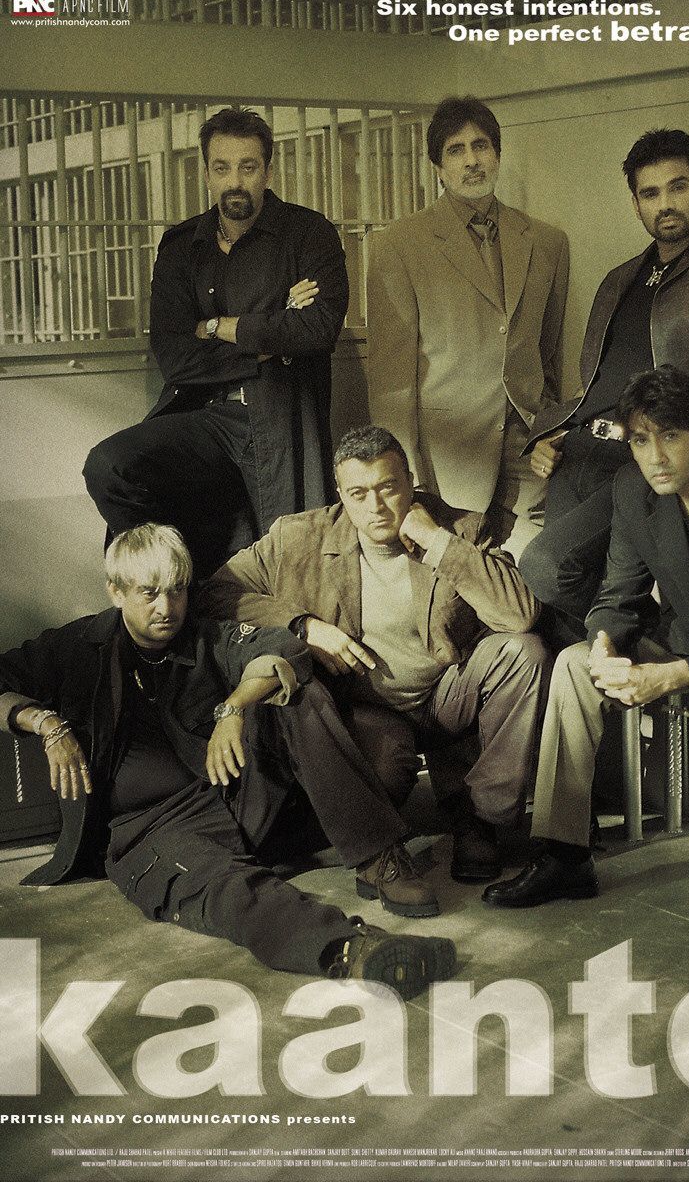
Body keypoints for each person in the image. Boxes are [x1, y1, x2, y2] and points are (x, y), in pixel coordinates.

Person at [0, 524, 456, 1000]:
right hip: (152, 829)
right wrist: (45, 723)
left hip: (237, 794)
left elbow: (282, 649)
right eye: (149, 593)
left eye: (177, 591)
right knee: (230, 890)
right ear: (116, 591)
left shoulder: (204, 636)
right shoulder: (76, 647)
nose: (166, 608)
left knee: (294, 692)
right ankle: (353, 950)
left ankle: (377, 856)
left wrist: (234, 708)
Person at [484, 368, 689, 965]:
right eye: (639, 439)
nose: (654, 457)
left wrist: (673, 676)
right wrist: (604, 641)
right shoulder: (633, 489)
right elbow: (619, 592)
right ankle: (565, 855)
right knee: (576, 663)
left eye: (670, 437)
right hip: (682, 641)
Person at [199, 425, 550, 884]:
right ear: (340, 493)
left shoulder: (460, 527)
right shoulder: (297, 538)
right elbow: (216, 593)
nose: (376, 507)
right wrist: (303, 625)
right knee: (383, 789)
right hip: (368, 706)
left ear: (410, 482)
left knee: (524, 652)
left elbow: (521, 614)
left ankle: (481, 819)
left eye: (388, 488)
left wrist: (437, 542)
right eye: (359, 494)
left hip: (448, 693)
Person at [520, 128, 689, 642]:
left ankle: (670, 643)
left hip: (644, 464)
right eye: (650, 193)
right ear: (636, 204)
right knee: (559, 621)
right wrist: (557, 435)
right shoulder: (620, 279)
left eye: (678, 187)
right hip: (579, 457)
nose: (665, 204)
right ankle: (619, 675)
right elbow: (595, 385)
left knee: (547, 567)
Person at [83, 107, 349, 579]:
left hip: (276, 416)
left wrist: (214, 327)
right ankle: (166, 580)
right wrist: (270, 338)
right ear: (206, 173)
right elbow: (175, 356)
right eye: (222, 168)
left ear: (268, 172)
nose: (235, 182)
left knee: (290, 564)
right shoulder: (180, 246)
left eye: (248, 167)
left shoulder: (309, 233)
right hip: (201, 414)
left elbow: (318, 329)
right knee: (109, 466)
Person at [367, 96, 569, 561]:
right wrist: (404, 477)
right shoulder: (399, 245)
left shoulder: (548, 242)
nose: (472, 160)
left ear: (497, 154)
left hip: (529, 452)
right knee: (454, 581)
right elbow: (392, 381)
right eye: (456, 150)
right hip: (447, 458)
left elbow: (550, 352)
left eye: (481, 146)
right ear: (438, 167)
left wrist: (551, 431)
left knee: (534, 571)